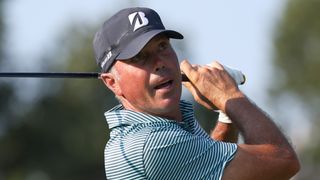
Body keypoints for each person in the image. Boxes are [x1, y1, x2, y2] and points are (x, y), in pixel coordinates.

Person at [92, 7, 300, 180]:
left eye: (162, 46)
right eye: (139, 57)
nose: (159, 63)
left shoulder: (160, 132)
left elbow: (213, 168)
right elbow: (283, 161)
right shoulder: (152, 146)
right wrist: (228, 95)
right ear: (112, 83)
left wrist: (226, 114)